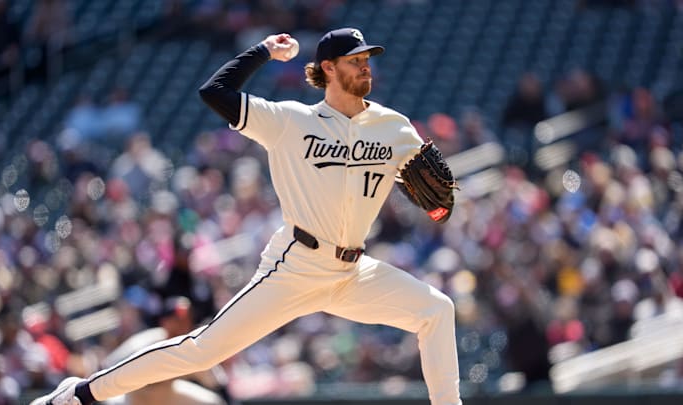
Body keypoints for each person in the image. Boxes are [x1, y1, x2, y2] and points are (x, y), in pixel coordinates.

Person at [31, 28, 462, 405]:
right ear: (328, 69)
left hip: (353, 271)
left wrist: (440, 205)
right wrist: (262, 51)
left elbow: (439, 204)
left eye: (368, 60)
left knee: (436, 310)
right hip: (297, 265)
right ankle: (80, 393)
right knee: (203, 350)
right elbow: (215, 93)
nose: (366, 67)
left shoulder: (395, 127)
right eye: (356, 61)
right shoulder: (291, 121)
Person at [103, 296, 229, 405]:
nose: (182, 324)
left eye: (186, 319)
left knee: (214, 402)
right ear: (164, 322)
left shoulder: (190, 346)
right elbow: (107, 366)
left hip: (168, 395)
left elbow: (216, 382)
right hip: (137, 398)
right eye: (177, 319)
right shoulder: (146, 342)